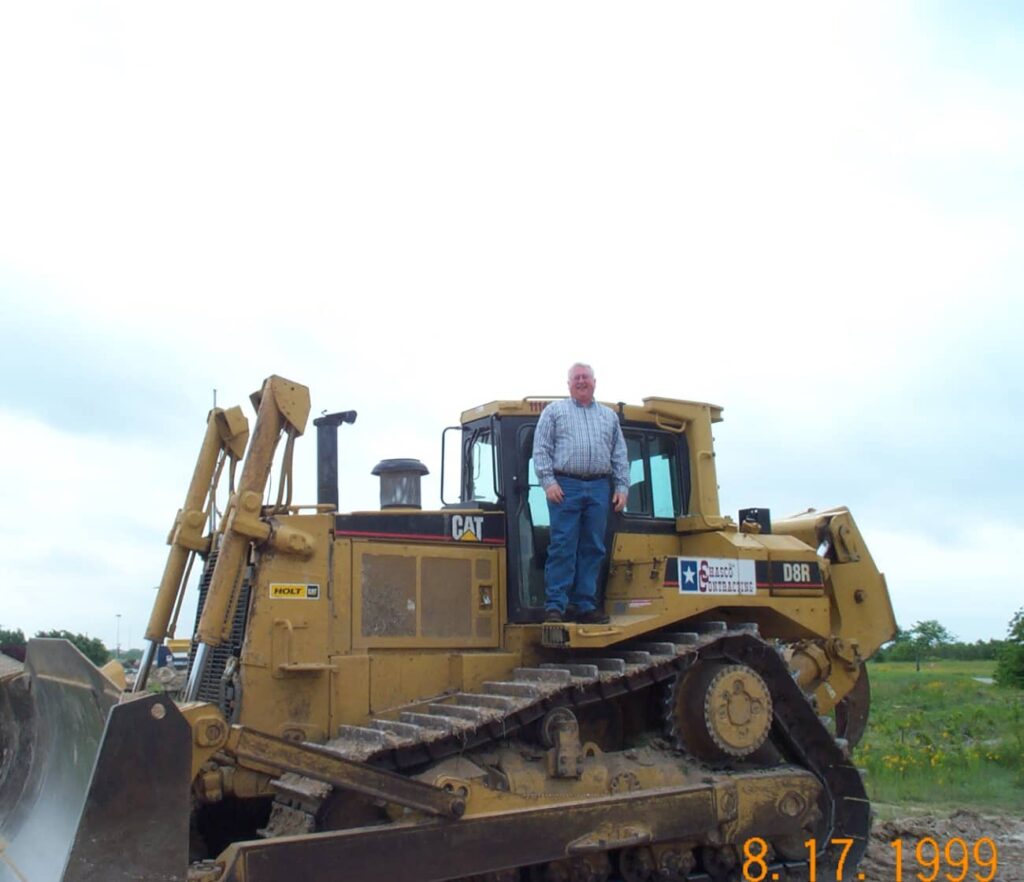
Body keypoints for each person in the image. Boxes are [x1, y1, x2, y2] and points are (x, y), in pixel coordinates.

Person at [532, 363, 629, 624]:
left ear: (595, 382)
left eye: (586, 377)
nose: (581, 381)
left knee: (594, 547)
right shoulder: (554, 412)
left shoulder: (609, 417)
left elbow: (619, 454)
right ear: (568, 384)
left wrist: (622, 487)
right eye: (576, 378)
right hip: (566, 486)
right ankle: (555, 606)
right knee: (563, 545)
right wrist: (548, 482)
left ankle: (585, 605)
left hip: (599, 486)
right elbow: (540, 449)